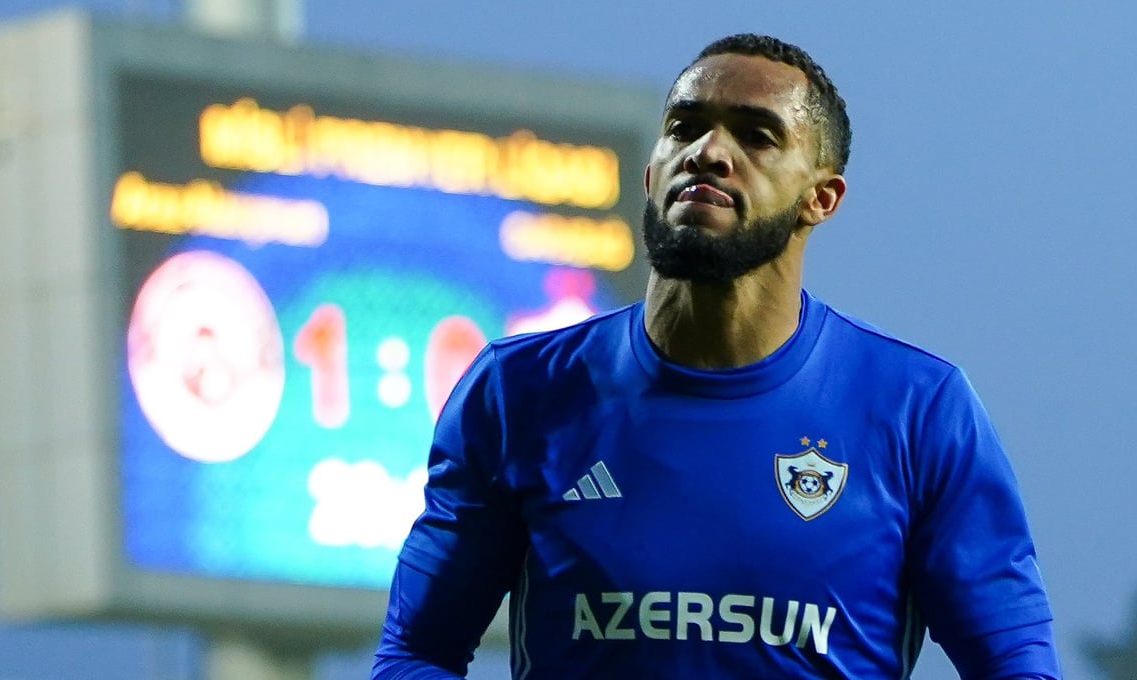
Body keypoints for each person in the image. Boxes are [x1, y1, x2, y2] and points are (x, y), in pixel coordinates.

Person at [372, 33, 1061, 679]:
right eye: (685, 126)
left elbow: (1017, 664)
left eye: (757, 135)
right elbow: (415, 651)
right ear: (651, 174)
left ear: (820, 198)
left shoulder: (920, 410)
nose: (707, 150)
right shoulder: (517, 392)